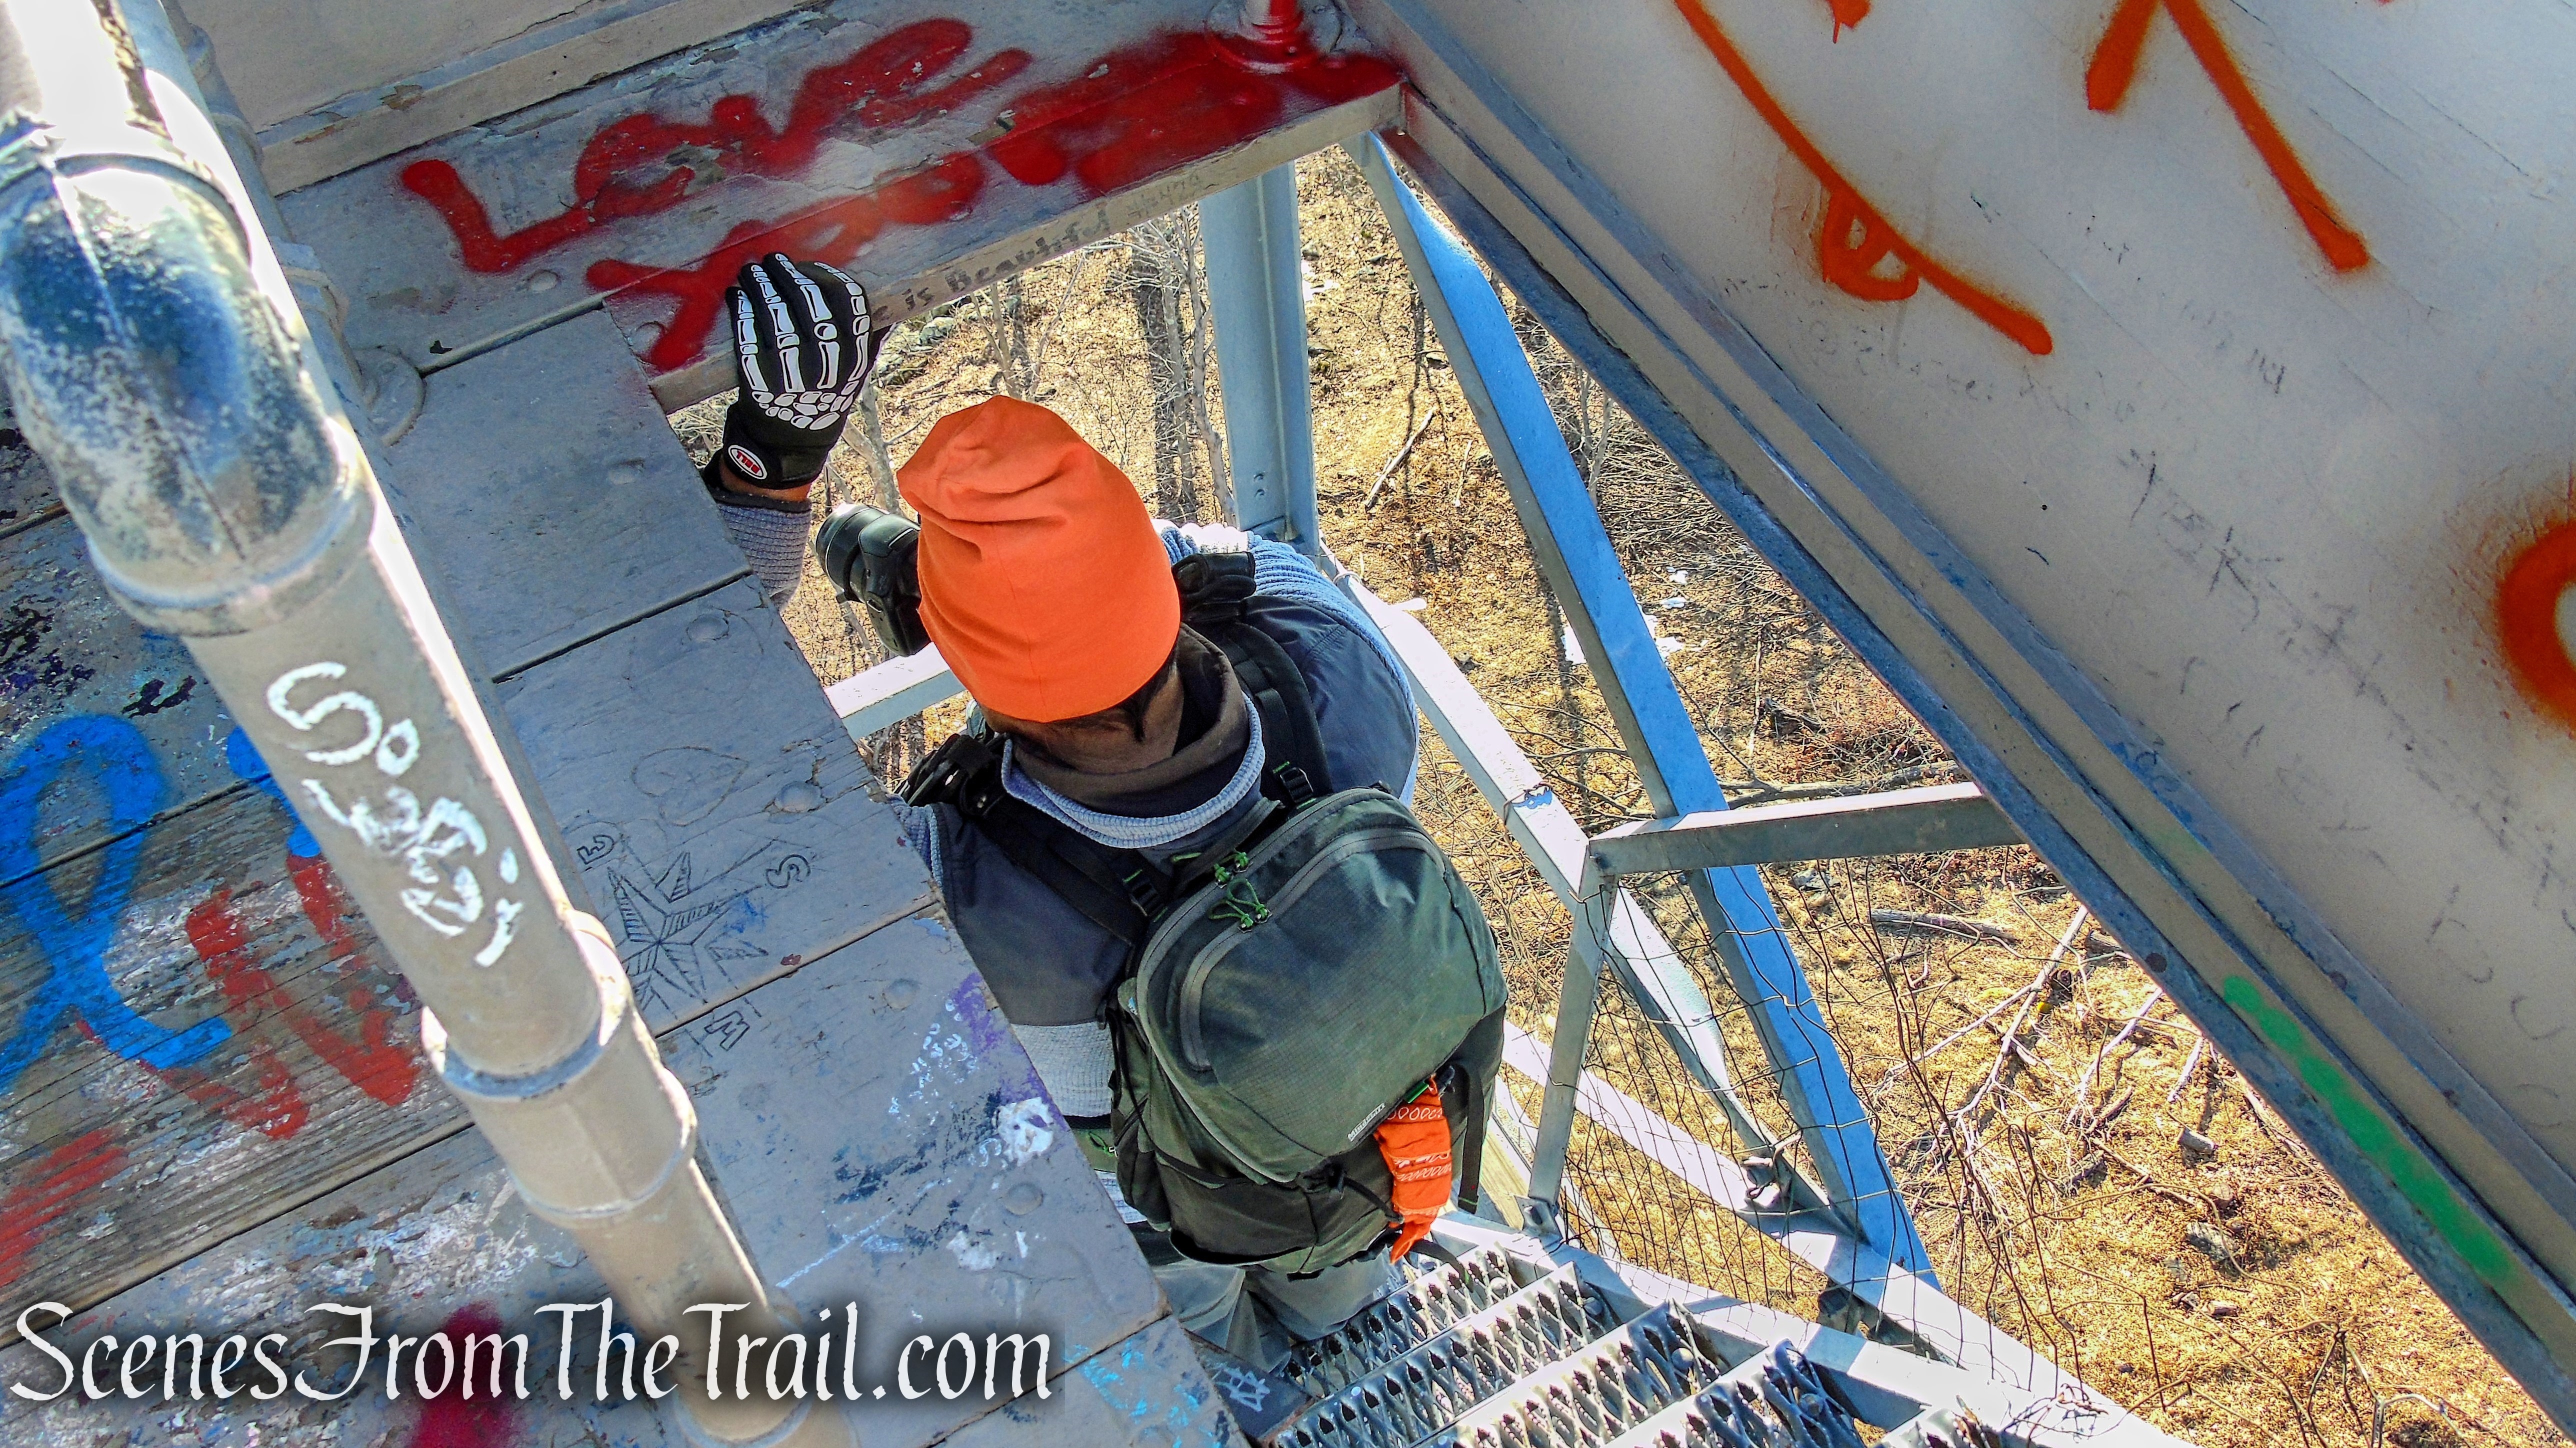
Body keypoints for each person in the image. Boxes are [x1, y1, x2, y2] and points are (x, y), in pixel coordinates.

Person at [703, 254, 1498, 1371]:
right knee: (1337, 1261)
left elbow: (705, 763)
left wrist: (767, 476)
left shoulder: (943, 889)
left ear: (972, 669)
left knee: (1194, 1306)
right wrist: (986, 588)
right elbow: (1206, 557)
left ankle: (1239, 1388)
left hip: (1162, 1198)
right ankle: (1357, 1346)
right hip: (1355, 1116)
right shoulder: (1339, 670)